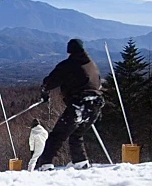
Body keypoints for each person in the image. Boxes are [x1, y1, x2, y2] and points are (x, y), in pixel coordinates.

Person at [34, 38, 104, 171]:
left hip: (79, 104)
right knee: (77, 134)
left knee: (58, 135)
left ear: (69, 51)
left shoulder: (69, 64)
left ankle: (46, 163)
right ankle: (80, 161)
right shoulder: (92, 65)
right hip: (95, 105)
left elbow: (51, 81)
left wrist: (44, 92)